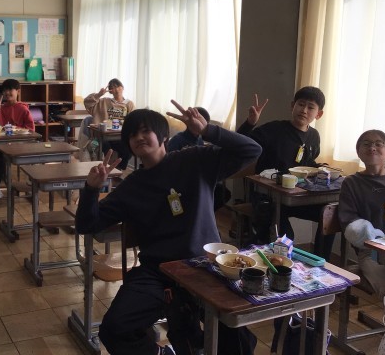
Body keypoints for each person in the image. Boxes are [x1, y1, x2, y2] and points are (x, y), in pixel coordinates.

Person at [75, 103, 262, 355]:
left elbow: (252, 150)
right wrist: (91, 189)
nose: (139, 137)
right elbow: (87, 224)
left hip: (205, 267)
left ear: (164, 136)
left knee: (235, 335)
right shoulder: (131, 186)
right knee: (114, 328)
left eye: (145, 131)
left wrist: (207, 130)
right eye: (132, 134)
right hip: (158, 272)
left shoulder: (195, 160)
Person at [237, 87, 334, 258]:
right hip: (268, 197)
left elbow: (306, 163)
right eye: (301, 104)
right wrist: (250, 123)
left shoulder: (314, 136)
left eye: (310, 107)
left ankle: (321, 261)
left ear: (319, 114)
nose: (304, 110)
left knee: (329, 214)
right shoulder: (274, 129)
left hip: (295, 198)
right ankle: (259, 253)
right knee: (286, 238)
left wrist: (320, 168)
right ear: (292, 106)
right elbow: (240, 142)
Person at [338, 130, 385, 299]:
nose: (372, 147)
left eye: (378, 144)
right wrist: (375, 240)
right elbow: (349, 221)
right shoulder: (351, 183)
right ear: (358, 152)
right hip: (372, 253)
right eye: (366, 144)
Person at [0, 78, 35, 207]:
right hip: (1, 144)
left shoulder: (23, 109)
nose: (7, 93)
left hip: (18, 146)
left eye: (10, 90)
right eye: (4, 90)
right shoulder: (0, 107)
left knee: (1, 159)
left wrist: (17, 131)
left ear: (18, 92)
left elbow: (31, 130)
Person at [167, 107, 231, 211]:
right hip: (181, 182)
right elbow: (169, 164)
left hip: (197, 178)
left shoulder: (200, 140)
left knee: (223, 193)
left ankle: (203, 213)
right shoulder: (177, 140)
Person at [83, 78, 135, 169]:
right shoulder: (104, 102)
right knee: (105, 146)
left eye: (118, 87)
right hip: (103, 136)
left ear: (122, 88)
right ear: (110, 91)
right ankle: (108, 168)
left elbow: (133, 120)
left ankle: (118, 169)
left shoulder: (129, 104)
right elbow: (87, 102)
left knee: (128, 149)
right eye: (113, 88)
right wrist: (99, 94)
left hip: (120, 136)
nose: (116, 90)